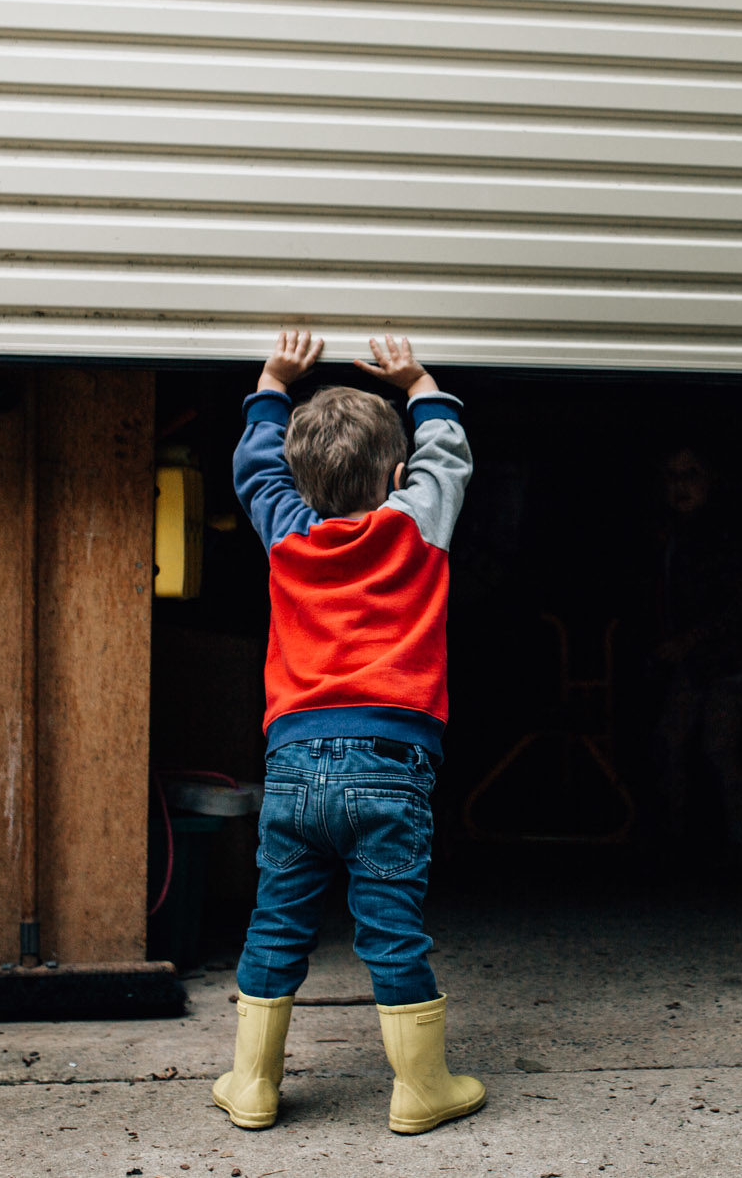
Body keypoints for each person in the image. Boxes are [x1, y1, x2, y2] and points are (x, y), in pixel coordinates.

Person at [216, 330, 483, 1136]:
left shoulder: (287, 535)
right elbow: (449, 459)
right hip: (392, 766)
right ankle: (419, 1087)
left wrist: (271, 383)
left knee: (276, 921)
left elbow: (254, 467)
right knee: (390, 925)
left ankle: (253, 1084)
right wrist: (422, 383)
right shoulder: (417, 528)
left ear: (299, 482)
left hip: (294, 763)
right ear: (398, 478)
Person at [651, 444, 742, 858]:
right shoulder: (671, 534)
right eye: (672, 477)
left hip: (726, 661)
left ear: (711, 480)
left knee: (717, 747)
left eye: (691, 474)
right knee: (670, 740)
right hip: (691, 662)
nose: (681, 486)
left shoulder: (724, 535)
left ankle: (740, 844)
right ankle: (678, 840)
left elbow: (738, 604)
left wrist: (689, 640)